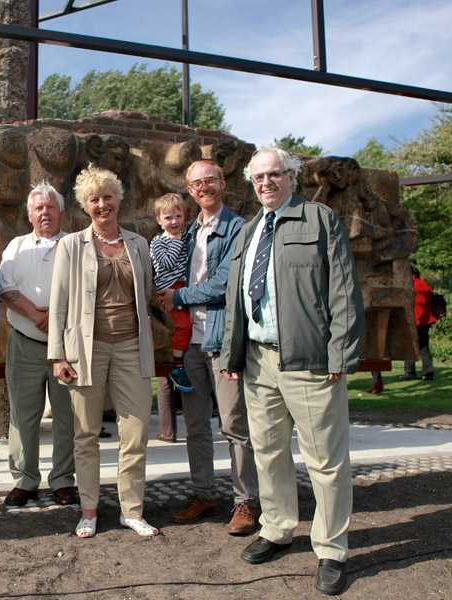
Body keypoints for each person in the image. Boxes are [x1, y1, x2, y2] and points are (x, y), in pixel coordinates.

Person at [219, 147, 365, 596]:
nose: (266, 182)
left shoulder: (319, 220)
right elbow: (236, 298)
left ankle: (332, 549)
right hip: (258, 362)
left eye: (274, 174)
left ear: (292, 177)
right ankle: (277, 528)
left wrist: (340, 353)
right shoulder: (248, 231)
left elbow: (343, 290)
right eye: (258, 177)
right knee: (268, 452)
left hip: (311, 361)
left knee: (325, 461)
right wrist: (231, 354)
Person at [48, 164, 159, 538]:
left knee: (136, 432)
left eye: (108, 197)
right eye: (94, 199)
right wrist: (58, 355)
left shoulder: (138, 244)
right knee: (85, 434)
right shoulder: (70, 245)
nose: (102, 205)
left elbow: (146, 294)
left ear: (118, 200)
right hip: (86, 350)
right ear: (85, 204)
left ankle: (132, 510)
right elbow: (59, 303)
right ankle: (89, 510)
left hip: (131, 347)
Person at [158, 159, 259, 536]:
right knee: (196, 424)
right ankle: (203, 493)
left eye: (210, 180)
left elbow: (225, 284)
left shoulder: (237, 228)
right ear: (189, 189)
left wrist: (179, 296)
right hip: (189, 343)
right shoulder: (186, 231)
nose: (204, 187)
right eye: (196, 183)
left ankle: (245, 500)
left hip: (222, 338)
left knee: (234, 423)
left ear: (223, 183)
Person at [0, 182, 78, 508]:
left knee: (67, 416)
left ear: (61, 212)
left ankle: (63, 480)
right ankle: (25, 480)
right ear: (29, 214)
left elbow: (85, 290)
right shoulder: (16, 247)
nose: (45, 212)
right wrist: (36, 315)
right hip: (25, 343)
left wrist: (55, 317)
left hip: (67, 346)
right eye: (38, 208)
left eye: (50, 207)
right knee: (23, 414)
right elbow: (5, 286)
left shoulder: (76, 245)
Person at [150, 193, 194, 394]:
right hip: (168, 289)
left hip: (185, 288)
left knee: (188, 327)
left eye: (178, 216)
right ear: (159, 220)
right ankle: (176, 365)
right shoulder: (158, 242)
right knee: (182, 326)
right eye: (168, 218)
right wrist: (176, 240)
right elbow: (167, 263)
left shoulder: (187, 237)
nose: (174, 222)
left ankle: (179, 361)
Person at [400, 265, 437, 381]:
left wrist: (414, 324)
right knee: (423, 347)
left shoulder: (416, 285)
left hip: (417, 321)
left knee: (409, 347)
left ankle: (410, 372)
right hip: (425, 321)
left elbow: (418, 308)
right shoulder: (422, 283)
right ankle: (428, 371)